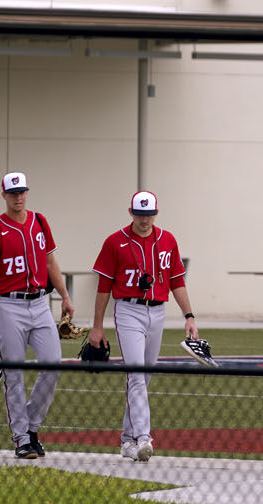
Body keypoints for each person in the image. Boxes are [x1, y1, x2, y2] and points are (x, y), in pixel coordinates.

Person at [87, 189, 196, 462]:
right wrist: (97, 326)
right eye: (139, 214)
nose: (144, 219)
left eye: (148, 214)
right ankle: (144, 437)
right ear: (130, 213)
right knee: (136, 374)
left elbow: (176, 281)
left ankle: (127, 440)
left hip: (157, 311)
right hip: (128, 310)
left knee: (144, 377)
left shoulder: (167, 240)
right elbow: (104, 287)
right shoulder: (115, 242)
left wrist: (189, 315)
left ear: (156, 213)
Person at [0, 171, 75, 459]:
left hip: (40, 302)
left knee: (53, 364)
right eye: (12, 193)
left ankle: (31, 426)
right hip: (8, 305)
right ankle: (21, 438)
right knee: (14, 373)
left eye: (21, 192)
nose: (18, 197)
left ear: (27, 193)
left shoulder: (39, 222)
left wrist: (65, 296)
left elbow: (50, 262)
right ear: (4, 195)